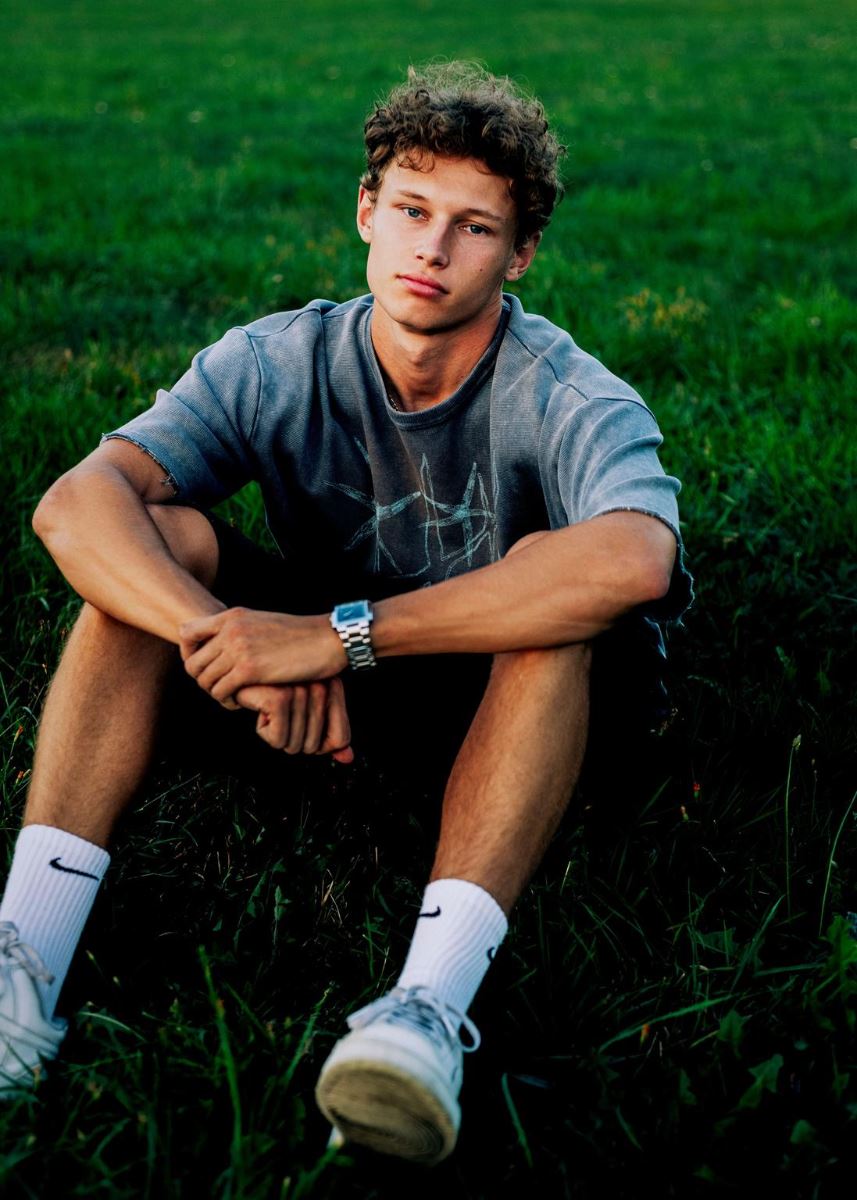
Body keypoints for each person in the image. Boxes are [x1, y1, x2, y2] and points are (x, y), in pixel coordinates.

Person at [0, 62, 691, 1163]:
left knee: (552, 603)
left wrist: (336, 638)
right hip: (320, 697)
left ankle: (423, 1014)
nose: (432, 248)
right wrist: (230, 645)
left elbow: (634, 560)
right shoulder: (278, 360)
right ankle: (22, 967)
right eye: (411, 210)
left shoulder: (563, 393)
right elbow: (75, 502)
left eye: (473, 227)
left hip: (507, 708)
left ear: (518, 255)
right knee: (158, 537)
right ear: (366, 211)